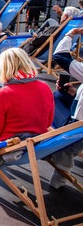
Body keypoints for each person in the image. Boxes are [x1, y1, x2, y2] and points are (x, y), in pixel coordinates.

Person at [0, 48, 53, 142]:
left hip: (13, 144)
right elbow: (48, 122)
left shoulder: (3, 94)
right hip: (39, 139)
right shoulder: (44, 87)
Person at [50, 27, 83, 188]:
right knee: (59, 96)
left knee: (65, 148)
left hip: (78, 128)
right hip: (79, 122)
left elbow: (59, 55)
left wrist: (71, 34)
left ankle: (60, 176)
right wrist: (73, 93)